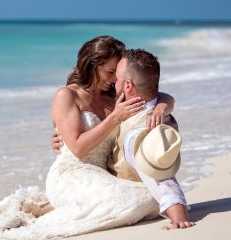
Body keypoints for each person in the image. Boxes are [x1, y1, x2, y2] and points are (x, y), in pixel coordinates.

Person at [49, 43, 194, 229]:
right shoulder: (67, 94)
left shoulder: (114, 94)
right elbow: (77, 148)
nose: (112, 79)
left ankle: (172, 205)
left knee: (149, 197)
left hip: (106, 173)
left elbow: (155, 93)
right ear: (93, 66)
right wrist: (115, 118)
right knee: (139, 201)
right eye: (110, 72)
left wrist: (160, 109)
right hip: (73, 174)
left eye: (116, 73)